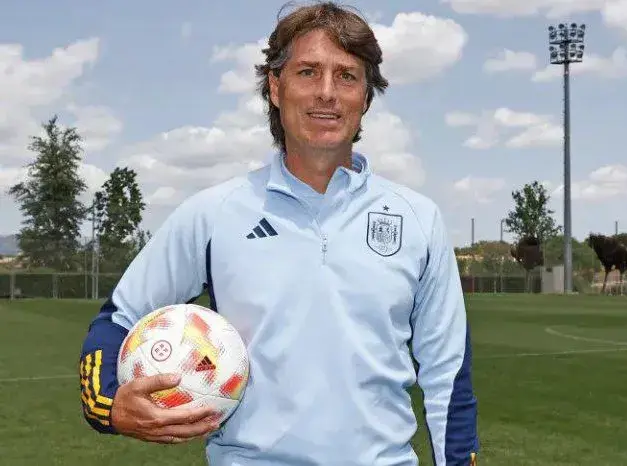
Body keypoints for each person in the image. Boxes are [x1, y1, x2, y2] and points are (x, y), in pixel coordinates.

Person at [78, 2, 479, 465]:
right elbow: (119, 318)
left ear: (366, 97)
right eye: (307, 72)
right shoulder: (213, 213)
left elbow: (448, 373)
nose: (326, 93)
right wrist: (109, 405)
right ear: (275, 86)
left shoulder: (418, 219)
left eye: (347, 76)